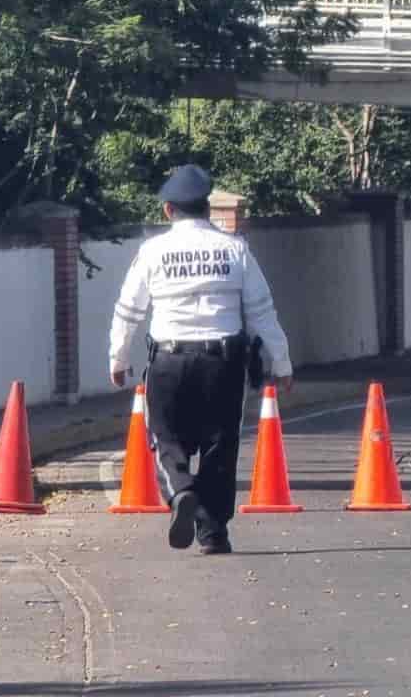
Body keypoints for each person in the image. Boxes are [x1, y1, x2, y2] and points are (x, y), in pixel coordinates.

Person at [109, 164, 293, 555]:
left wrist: (118, 357)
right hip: (223, 363)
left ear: (168, 210)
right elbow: (261, 311)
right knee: (219, 444)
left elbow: (128, 310)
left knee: (164, 436)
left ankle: (181, 490)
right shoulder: (235, 249)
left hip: (169, 360)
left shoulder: (153, 251)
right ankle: (213, 533)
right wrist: (282, 364)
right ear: (208, 208)